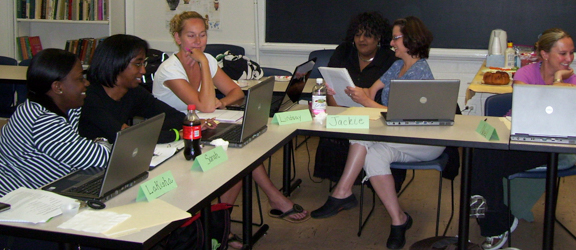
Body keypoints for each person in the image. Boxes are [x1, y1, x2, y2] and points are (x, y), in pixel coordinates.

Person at [153, 11, 310, 241]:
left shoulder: (206, 59)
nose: (198, 42)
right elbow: (205, 106)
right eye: (191, 36)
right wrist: (205, 67)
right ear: (177, 38)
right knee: (239, 153)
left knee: (243, 150)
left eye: (203, 35)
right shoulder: (171, 69)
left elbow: (236, 93)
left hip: (203, 128)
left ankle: (219, 227)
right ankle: (271, 199)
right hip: (176, 136)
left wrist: (222, 101)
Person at [311, 16, 441, 249]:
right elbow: (369, 94)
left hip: (423, 139)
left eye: (396, 38)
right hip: (397, 133)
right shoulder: (398, 65)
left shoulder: (420, 71)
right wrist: (345, 91)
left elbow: (402, 115)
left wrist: (364, 100)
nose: (391, 43)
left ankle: (342, 193)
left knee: (362, 136)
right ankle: (398, 219)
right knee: (371, 153)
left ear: (410, 40)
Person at [471, 28, 576, 250]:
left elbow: (562, 123)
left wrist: (559, 79)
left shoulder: (574, 81)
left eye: (571, 53)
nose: (569, 59)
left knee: (486, 161)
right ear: (544, 54)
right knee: (479, 148)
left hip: (547, 146)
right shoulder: (524, 74)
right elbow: (527, 109)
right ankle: (495, 216)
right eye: (563, 53)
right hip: (516, 137)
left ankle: (491, 217)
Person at [0, 49, 110, 197]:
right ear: (58, 87)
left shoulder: (67, 108)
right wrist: (102, 143)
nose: (87, 82)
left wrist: (98, 144)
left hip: (45, 191)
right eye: (79, 79)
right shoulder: (42, 120)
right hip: (16, 202)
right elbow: (100, 159)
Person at [313, 11, 403, 191]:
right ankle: (342, 181)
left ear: (378, 38)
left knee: (361, 137)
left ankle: (362, 181)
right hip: (341, 111)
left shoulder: (391, 60)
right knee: (331, 133)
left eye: (368, 35)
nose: (361, 39)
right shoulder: (343, 52)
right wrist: (337, 109)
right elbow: (329, 82)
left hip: (375, 118)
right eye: (358, 34)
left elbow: (393, 102)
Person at [79, 34, 211, 144]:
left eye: (143, 63)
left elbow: (173, 117)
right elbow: (128, 136)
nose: (143, 70)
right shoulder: (89, 98)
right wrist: (177, 135)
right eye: (137, 64)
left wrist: (192, 123)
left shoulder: (133, 92)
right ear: (116, 63)